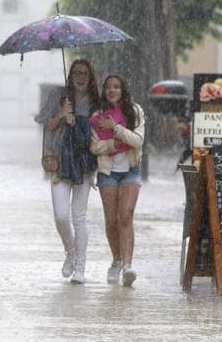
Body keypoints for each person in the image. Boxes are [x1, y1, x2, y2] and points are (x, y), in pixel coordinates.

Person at [35, 59, 100, 284]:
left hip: (84, 165)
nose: (80, 77)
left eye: (85, 73)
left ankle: (81, 267)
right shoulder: (59, 96)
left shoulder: (96, 102)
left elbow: (100, 134)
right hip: (60, 163)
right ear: (70, 75)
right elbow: (46, 126)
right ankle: (70, 251)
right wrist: (62, 114)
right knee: (61, 215)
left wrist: (81, 124)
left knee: (79, 217)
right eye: (76, 73)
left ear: (90, 77)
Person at [90, 75, 145, 286]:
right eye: (108, 87)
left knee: (126, 215)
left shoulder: (135, 112)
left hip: (130, 170)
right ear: (104, 91)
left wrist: (116, 128)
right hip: (107, 172)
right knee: (112, 222)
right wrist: (115, 143)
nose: (112, 90)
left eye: (116, 86)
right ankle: (116, 260)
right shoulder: (97, 117)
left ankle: (128, 266)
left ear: (123, 90)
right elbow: (95, 147)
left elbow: (138, 141)